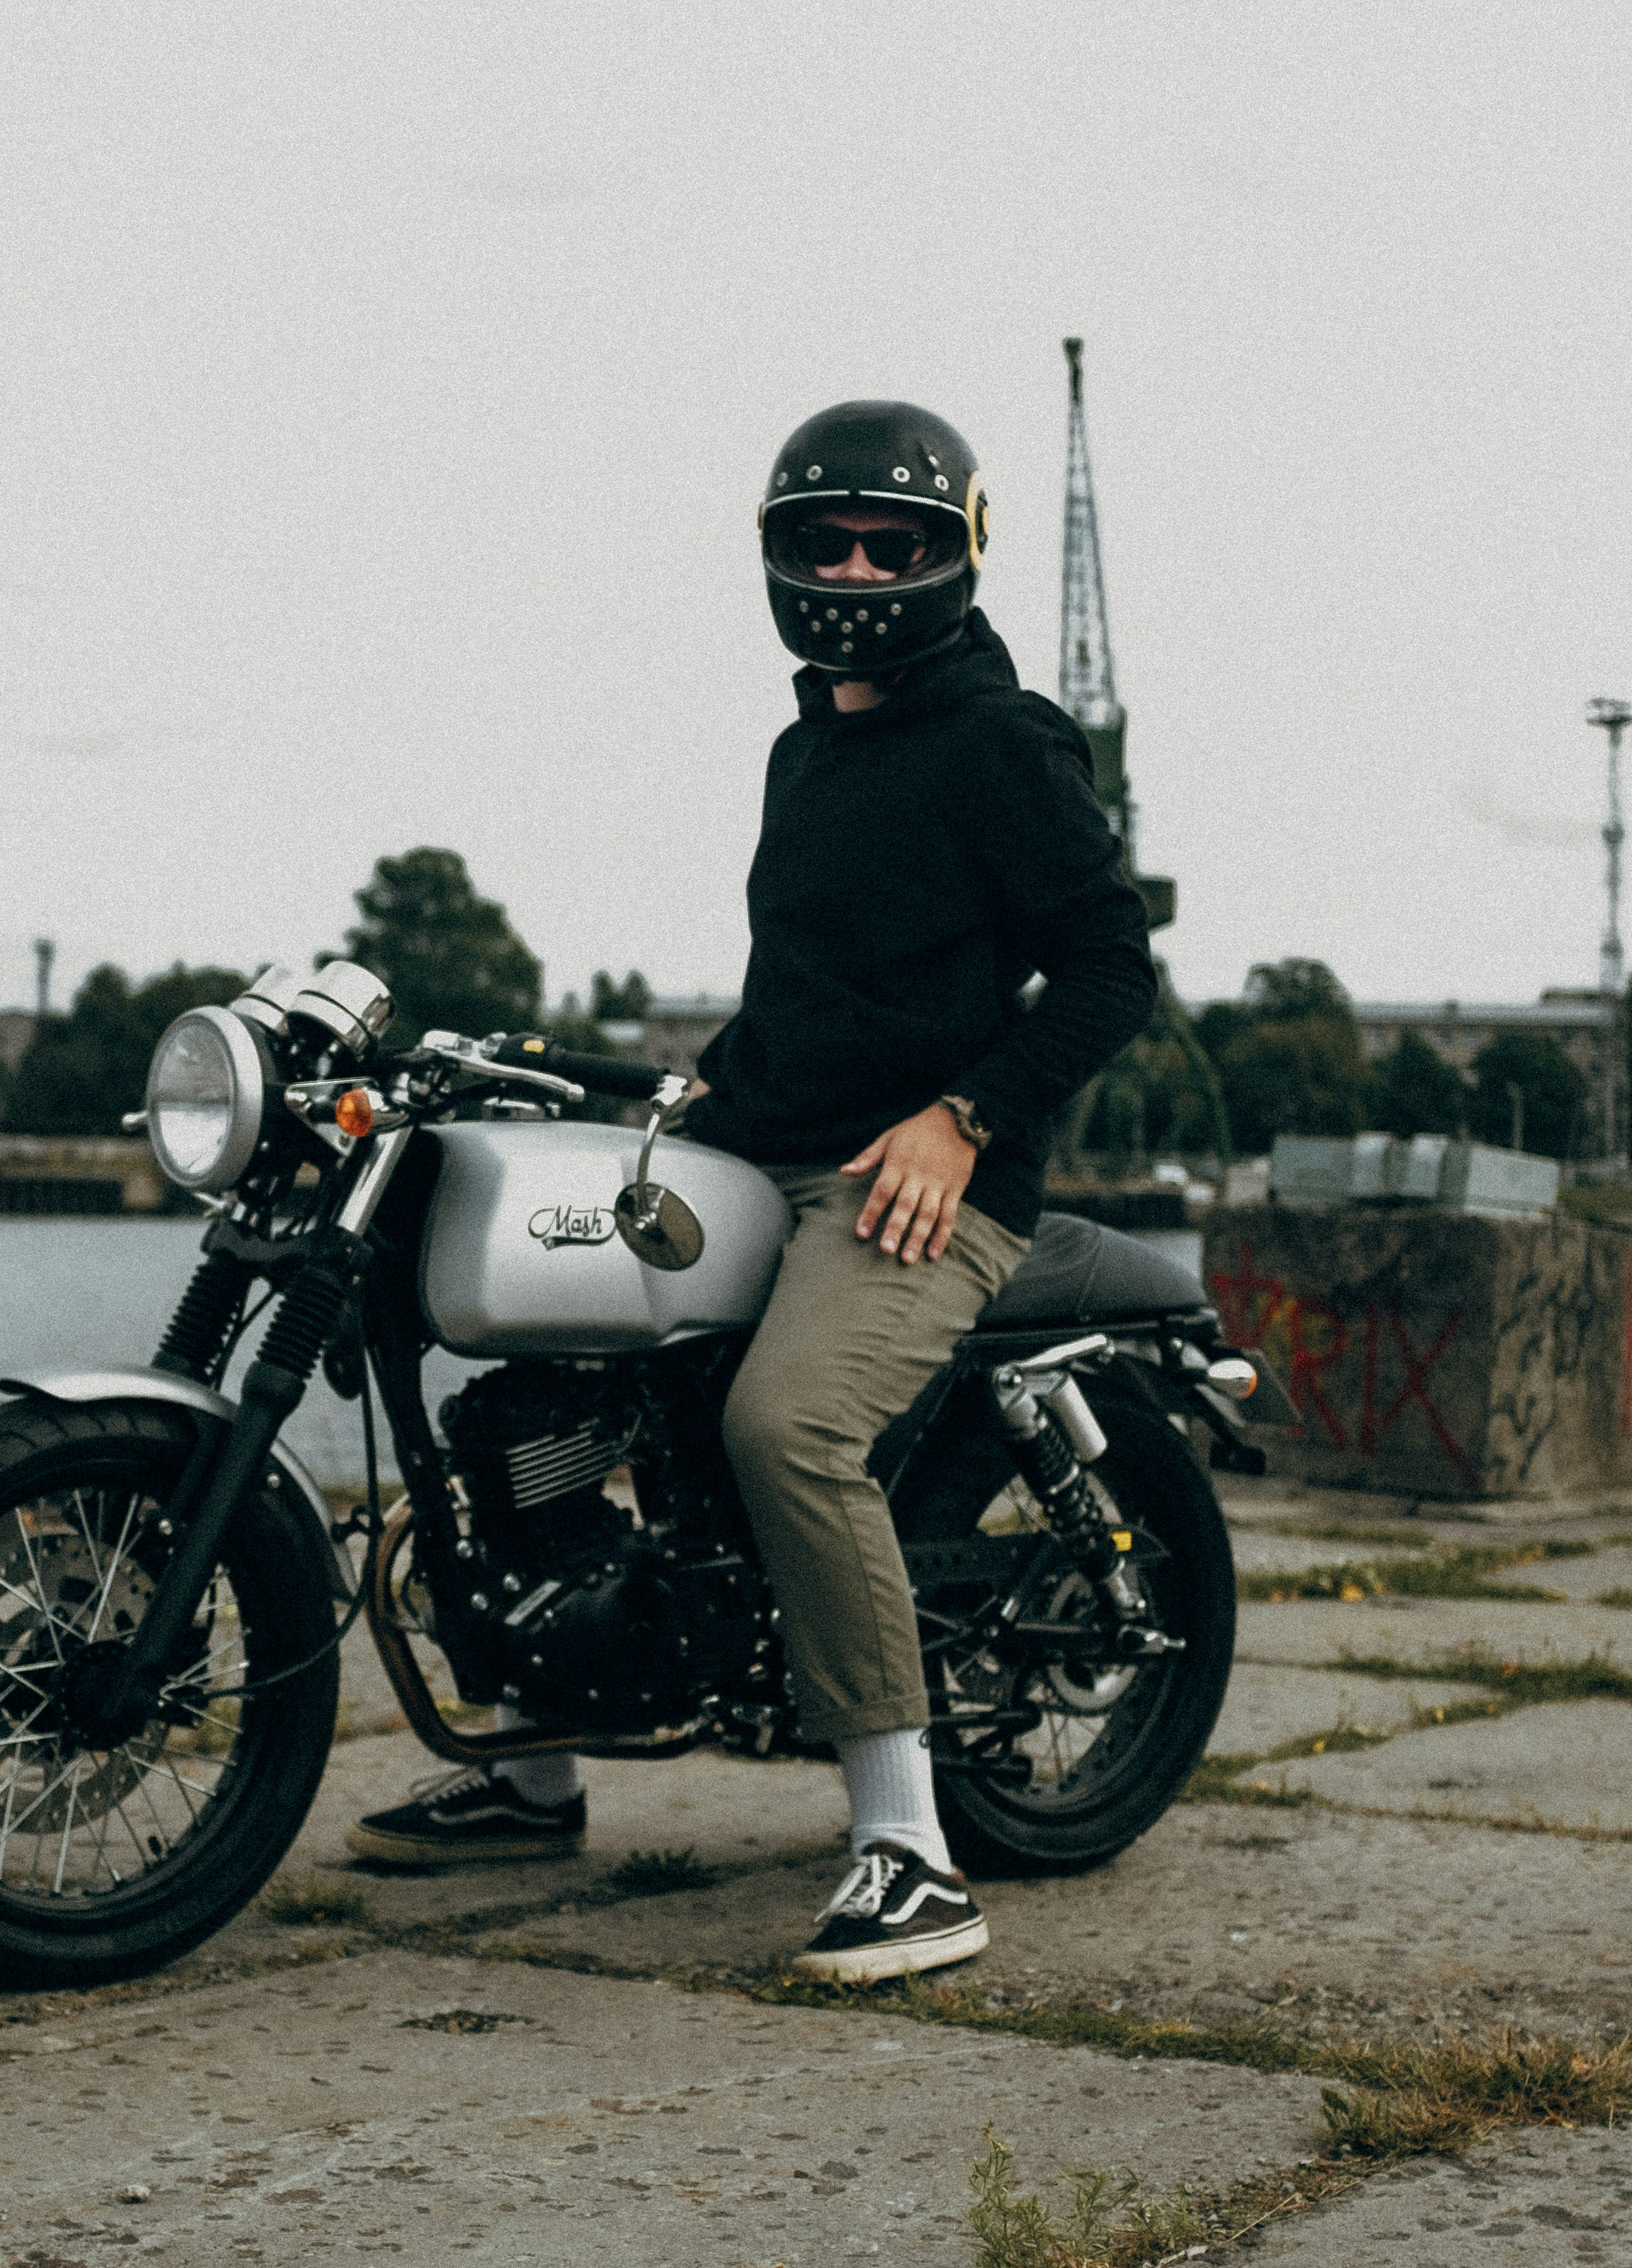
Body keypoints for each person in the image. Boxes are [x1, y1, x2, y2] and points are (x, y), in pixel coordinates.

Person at [350, 399, 1157, 1981]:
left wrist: (963, 1114)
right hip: (759, 1145)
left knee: (784, 1426)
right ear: (776, 554)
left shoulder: (1004, 741)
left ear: (957, 555)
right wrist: (695, 1083)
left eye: (895, 541)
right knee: (523, 1387)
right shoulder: (811, 744)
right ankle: (533, 1765)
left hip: (921, 1177)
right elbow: (814, 981)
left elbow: (1112, 965)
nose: (856, 564)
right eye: (824, 537)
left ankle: (908, 1852)